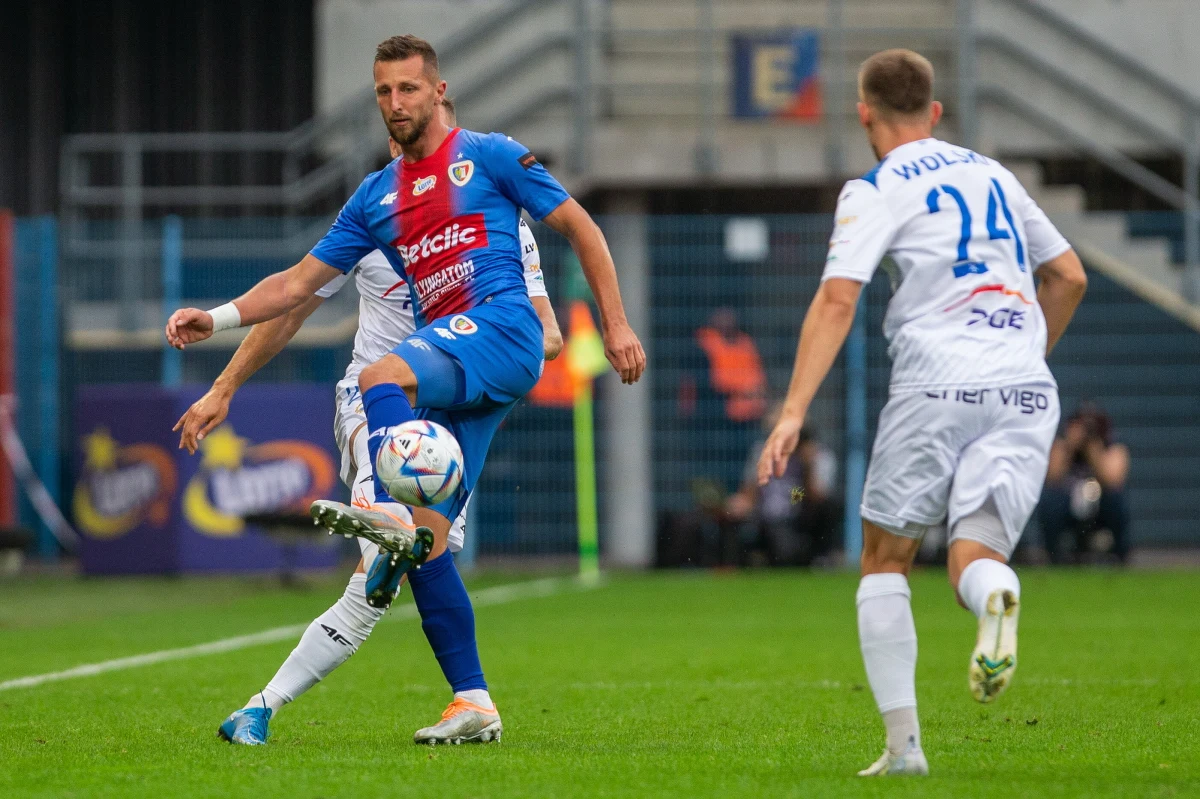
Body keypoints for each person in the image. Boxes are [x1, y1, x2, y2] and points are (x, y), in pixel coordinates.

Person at [165, 35, 645, 746]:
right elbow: (296, 289)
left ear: (439, 91)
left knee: (377, 375)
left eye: (409, 89)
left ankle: (386, 499)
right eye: (384, 92)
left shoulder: (491, 156)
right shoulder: (374, 201)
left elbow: (580, 225)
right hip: (454, 374)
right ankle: (472, 699)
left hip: (498, 334)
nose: (396, 103)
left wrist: (615, 324)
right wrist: (220, 317)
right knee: (427, 548)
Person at [756, 49, 1087, 776]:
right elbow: (1067, 274)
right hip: (1023, 382)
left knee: (885, 558)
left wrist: (791, 412)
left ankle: (905, 748)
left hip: (936, 380)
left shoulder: (874, 187)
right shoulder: (994, 173)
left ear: (863, 111)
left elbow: (839, 298)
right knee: (977, 552)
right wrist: (1027, 353)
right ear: (936, 112)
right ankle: (997, 591)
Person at [728, 420, 840, 566]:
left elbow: (810, 498)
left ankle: (820, 556)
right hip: (766, 515)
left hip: (798, 519)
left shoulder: (817, 457)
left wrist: (807, 467)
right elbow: (750, 490)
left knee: (830, 507)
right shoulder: (764, 453)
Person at [1039, 403, 1131, 564]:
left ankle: (1120, 557)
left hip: (1100, 507)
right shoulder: (1061, 447)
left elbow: (1112, 481)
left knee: (1117, 501)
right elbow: (1052, 478)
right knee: (1049, 500)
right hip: (1067, 505)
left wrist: (1093, 450)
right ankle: (1053, 557)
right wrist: (1070, 446)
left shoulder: (1113, 449)